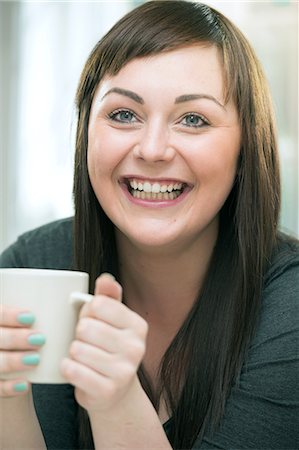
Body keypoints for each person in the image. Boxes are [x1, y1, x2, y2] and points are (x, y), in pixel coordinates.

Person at [0, 1, 298, 449]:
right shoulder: (32, 266)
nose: (153, 149)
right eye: (123, 115)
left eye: (193, 119)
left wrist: (117, 402)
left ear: (244, 151)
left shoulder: (290, 305)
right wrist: (7, 395)